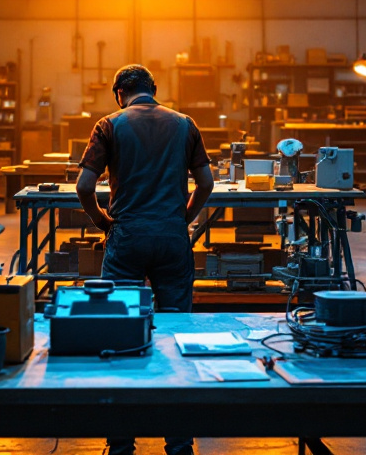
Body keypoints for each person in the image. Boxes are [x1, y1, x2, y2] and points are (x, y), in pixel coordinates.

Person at [76, 64, 214, 455]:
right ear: (153, 88)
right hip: (171, 237)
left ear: (119, 92)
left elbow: (85, 186)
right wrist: (183, 217)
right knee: (176, 337)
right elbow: (206, 183)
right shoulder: (185, 124)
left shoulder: (109, 125)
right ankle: (179, 444)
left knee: (121, 337)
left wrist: (103, 221)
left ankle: (121, 445)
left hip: (128, 237)